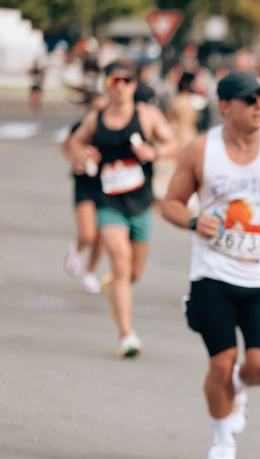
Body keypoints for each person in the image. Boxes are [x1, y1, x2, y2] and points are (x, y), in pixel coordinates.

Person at [161, 71, 260, 459]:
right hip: (212, 274)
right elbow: (171, 204)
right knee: (219, 363)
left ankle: (239, 389)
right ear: (225, 106)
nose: (259, 105)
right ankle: (222, 440)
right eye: (249, 99)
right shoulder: (200, 150)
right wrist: (195, 222)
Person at [66, 61, 178, 357]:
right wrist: (81, 154)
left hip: (140, 202)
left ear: (132, 85)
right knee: (121, 260)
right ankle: (126, 334)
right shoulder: (96, 118)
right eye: (113, 80)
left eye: (125, 80)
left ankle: (115, 286)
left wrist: (153, 152)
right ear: (106, 84)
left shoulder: (148, 116)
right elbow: (72, 144)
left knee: (133, 273)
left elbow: (173, 143)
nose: (119, 86)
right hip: (109, 201)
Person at [62, 92, 108, 295]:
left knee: (103, 235)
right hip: (85, 185)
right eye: (95, 109)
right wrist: (77, 160)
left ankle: (91, 272)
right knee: (89, 233)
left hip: (109, 186)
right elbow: (67, 147)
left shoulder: (114, 127)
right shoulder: (81, 128)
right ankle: (78, 245)